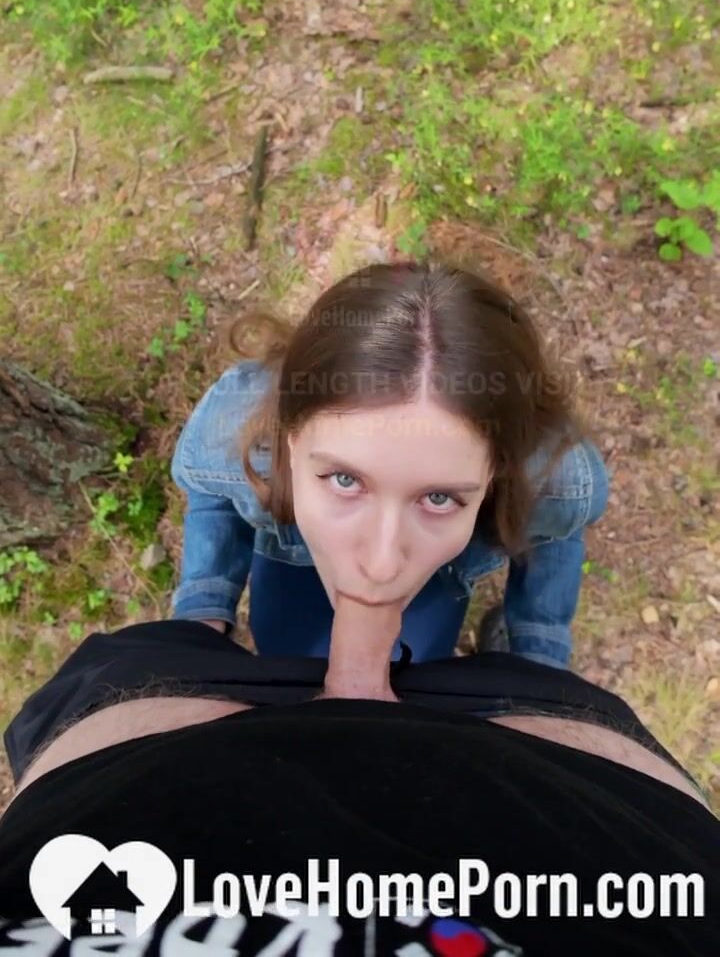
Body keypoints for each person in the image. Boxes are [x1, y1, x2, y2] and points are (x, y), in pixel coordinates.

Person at [0, 605, 717, 954]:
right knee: (534, 674)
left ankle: (204, 614)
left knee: (162, 641)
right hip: (557, 752)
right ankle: (531, 653)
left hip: (148, 712)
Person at [170, 259, 610, 666]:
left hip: (435, 591)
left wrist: (536, 654)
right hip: (287, 573)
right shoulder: (237, 427)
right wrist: (203, 614)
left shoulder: (556, 478)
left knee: (419, 663)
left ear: (497, 471)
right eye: (345, 479)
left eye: (439, 498)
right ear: (290, 438)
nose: (381, 567)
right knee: (284, 648)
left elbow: (558, 529)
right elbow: (212, 493)